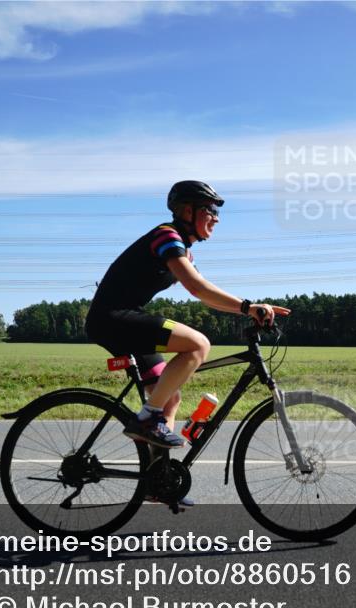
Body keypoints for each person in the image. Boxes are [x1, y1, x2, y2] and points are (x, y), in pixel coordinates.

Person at [85, 180, 290, 459]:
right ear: (186, 211)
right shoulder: (166, 236)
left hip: (123, 318)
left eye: (218, 212)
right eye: (210, 210)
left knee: (169, 398)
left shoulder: (183, 249)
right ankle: (146, 420)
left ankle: (157, 481)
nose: (216, 218)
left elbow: (206, 295)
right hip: (113, 318)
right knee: (198, 345)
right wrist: (248, 307)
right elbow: (197, 287)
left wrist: (249, 308)